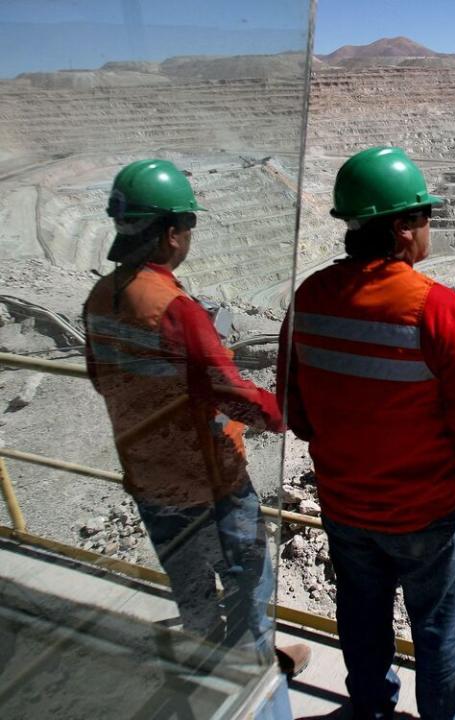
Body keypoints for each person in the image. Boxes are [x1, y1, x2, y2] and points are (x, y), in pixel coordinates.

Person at [277, 146, 455, 720]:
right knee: (441, 633)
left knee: (362, 618)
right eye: (424, 216)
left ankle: (373, 710)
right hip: (424, 512)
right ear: (402, 228)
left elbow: (295, 410)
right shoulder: (437, 309)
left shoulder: (309, 298)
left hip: (345, 505)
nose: (429, 227)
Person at [83, 158, 309, 678]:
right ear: (168, 234)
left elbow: (101, 378)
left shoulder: (99, 298)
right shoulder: (173, 308)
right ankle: (251, 675)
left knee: (189, 584)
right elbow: (229, 390)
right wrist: (282, 413)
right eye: (188, 226)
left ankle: (205, 671)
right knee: (249, 575)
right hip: (209, 481)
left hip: (149, 476)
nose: (189, 236)